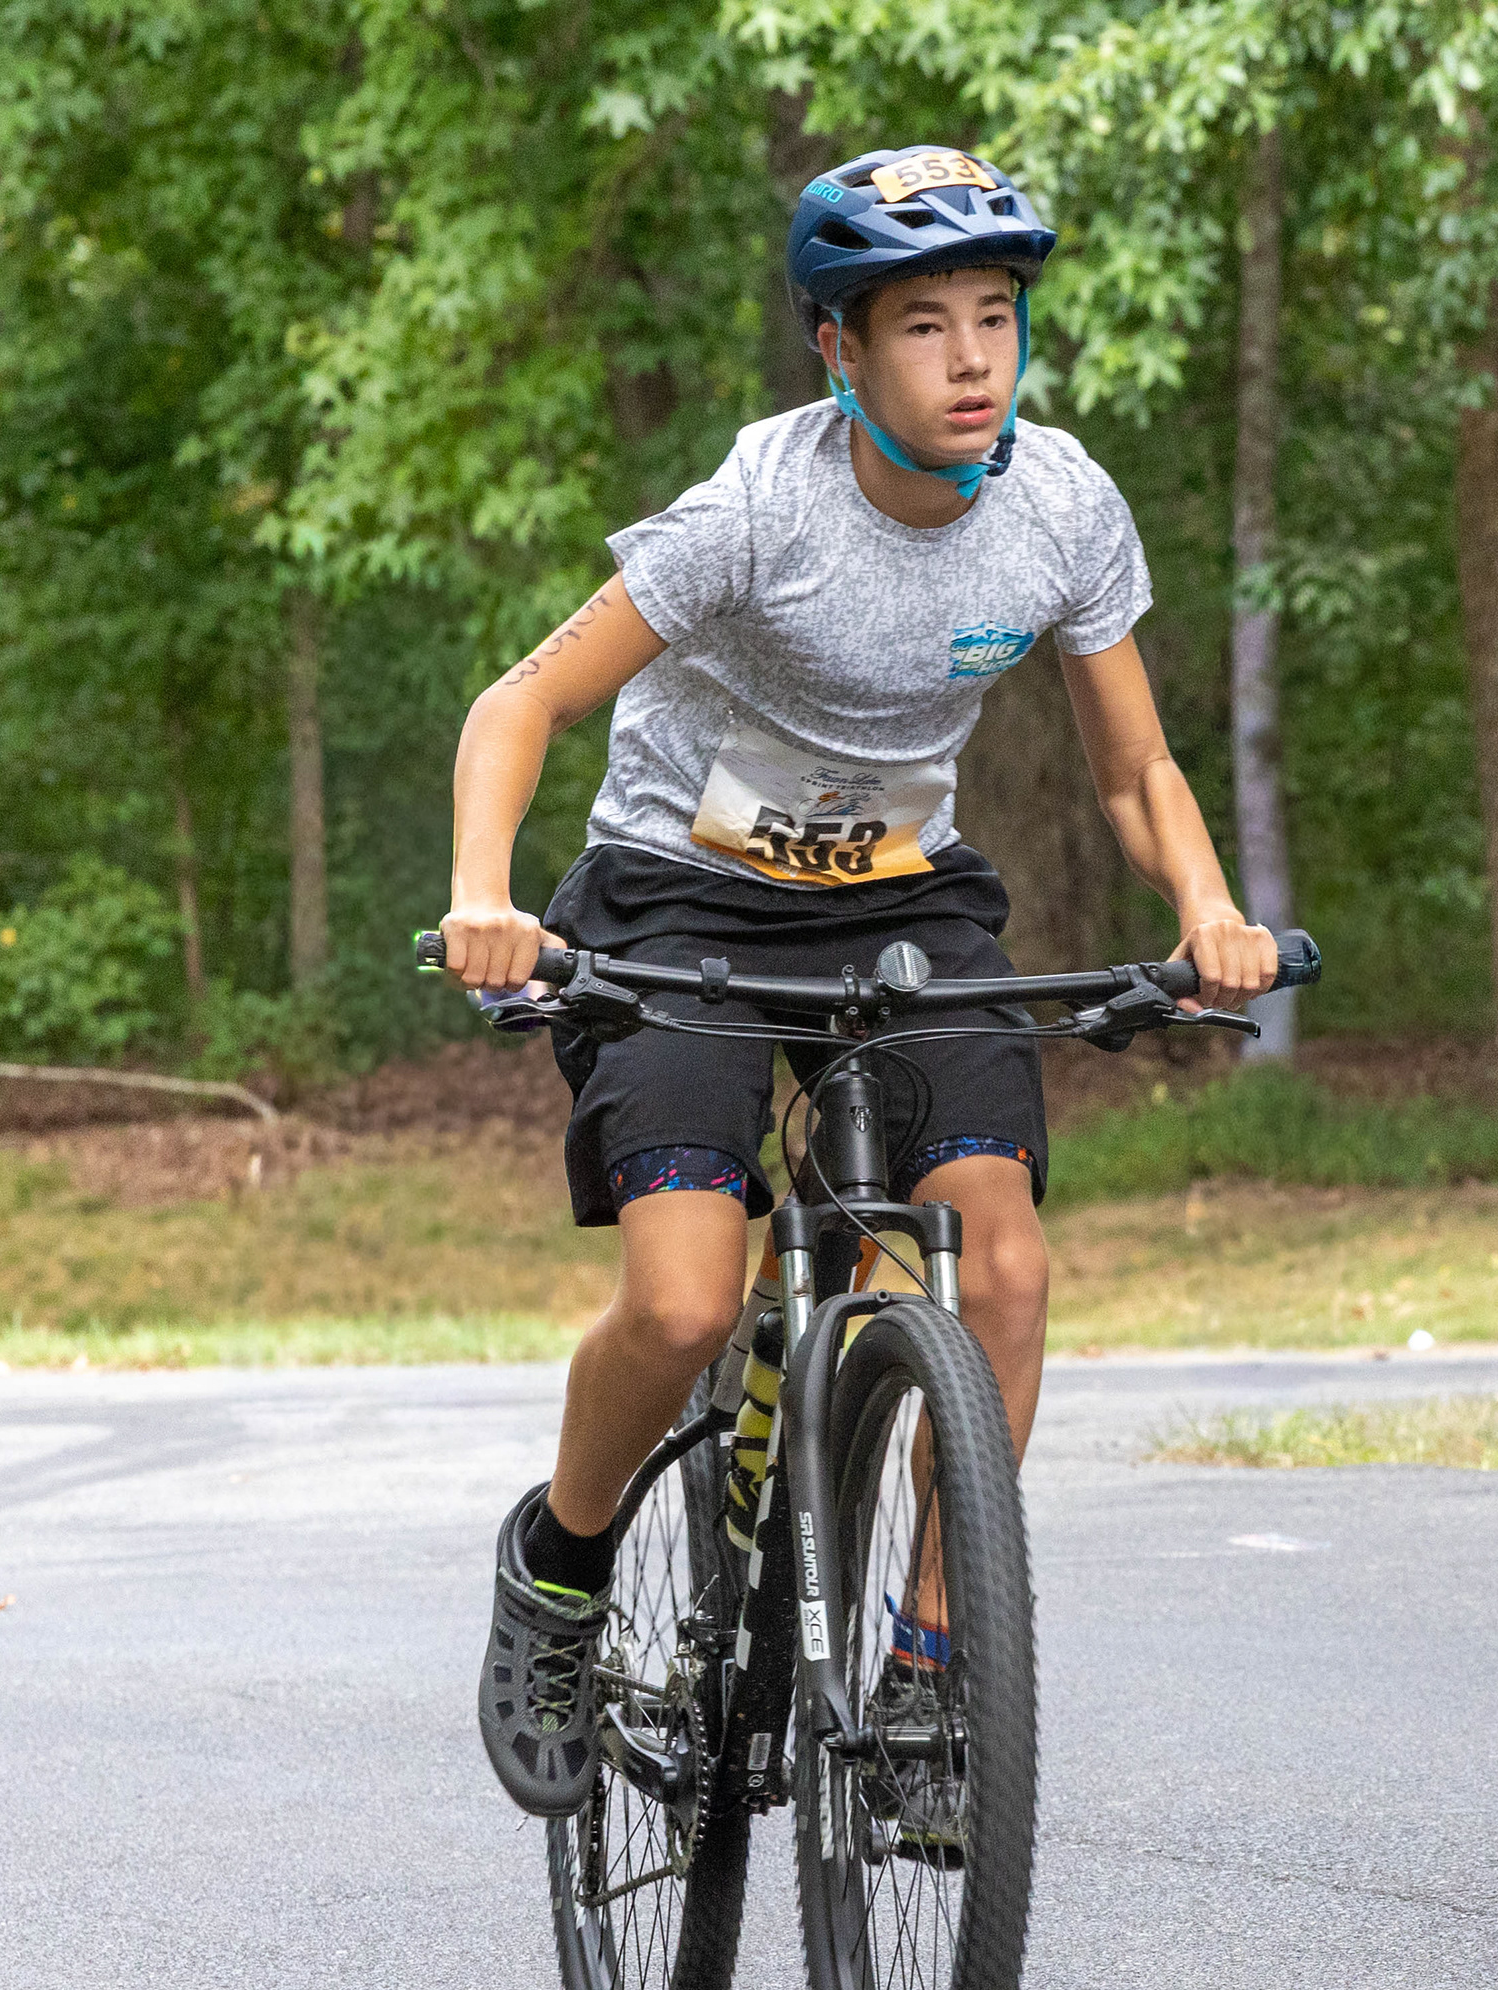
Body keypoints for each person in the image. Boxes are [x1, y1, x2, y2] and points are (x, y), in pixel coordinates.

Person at [441, 144, 1278, 1819]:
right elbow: (520, 702)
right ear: (840, 349)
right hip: (681, 899)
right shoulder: (761, 509)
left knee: (1005, 1265)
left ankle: (922, 1676)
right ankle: (561, 1571)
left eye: (995, 318)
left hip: (899, 895)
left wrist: (1208, 907)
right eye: (923, 325)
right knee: (686, 1301)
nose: (973, 361)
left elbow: (1135, 768)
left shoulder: (1059, 508)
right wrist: (484, 897)